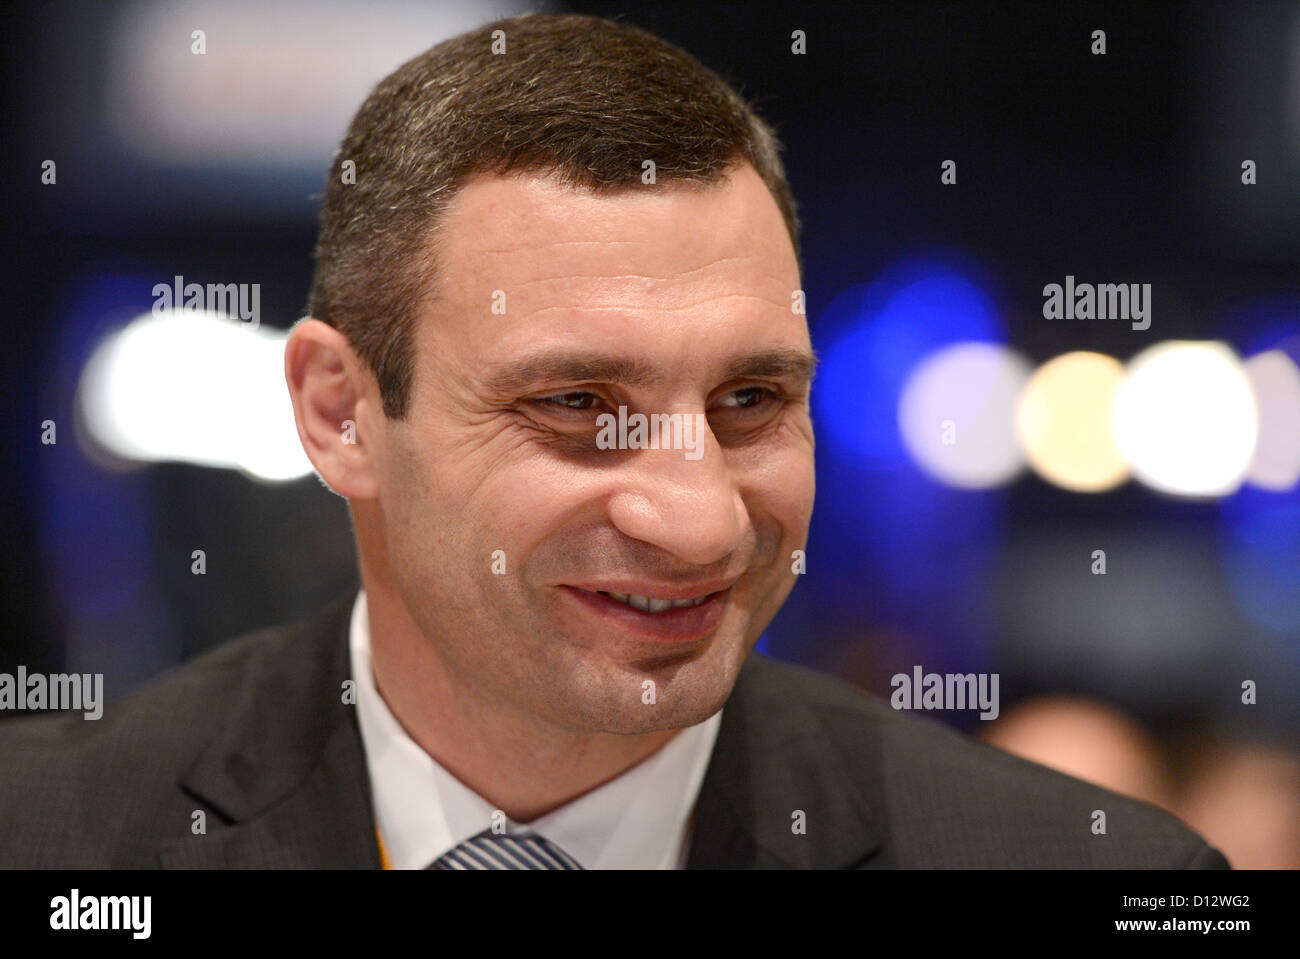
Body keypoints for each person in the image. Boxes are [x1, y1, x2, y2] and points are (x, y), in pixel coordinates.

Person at [0, 12, 1227, 869]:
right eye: (579, 406)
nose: (698, 518)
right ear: (340, 412)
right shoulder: (46, 838)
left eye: (750, 401)